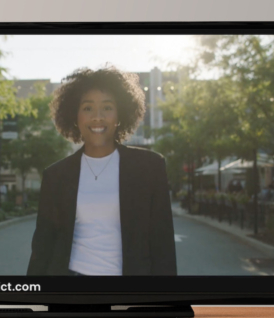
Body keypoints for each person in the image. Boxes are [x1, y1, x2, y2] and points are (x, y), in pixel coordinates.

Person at [26, 66, 177, 276]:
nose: (97, 116)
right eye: (87, 108)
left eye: (107, 107)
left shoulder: (149, 167)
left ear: (120, 114)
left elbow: (163, 244)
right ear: (75, 116)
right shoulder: (56, 175)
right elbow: (43, 245)